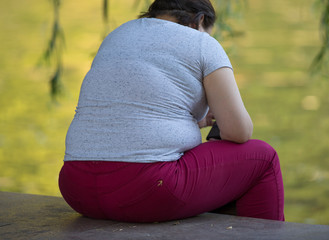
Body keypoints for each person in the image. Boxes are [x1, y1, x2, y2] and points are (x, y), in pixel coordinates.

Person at [59, 0, 285, 223]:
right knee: (263, 157)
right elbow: (239, 132)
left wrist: (195, 123)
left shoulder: (117, 35)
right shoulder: (201, 43)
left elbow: (125, 116)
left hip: (76, 188)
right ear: (200, 21)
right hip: (146, 189)